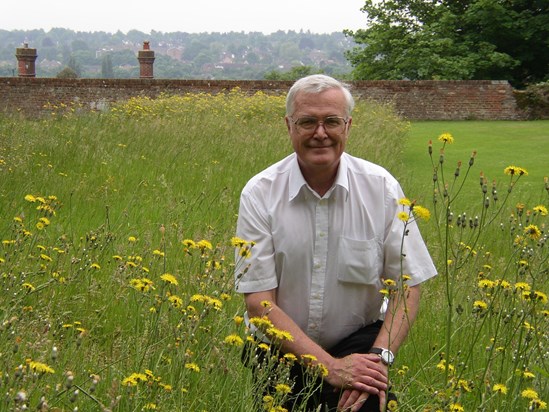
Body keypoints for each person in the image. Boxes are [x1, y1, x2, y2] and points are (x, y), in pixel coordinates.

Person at [235, 74, 437, 411]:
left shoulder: (382, 188)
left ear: (348, 126)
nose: (320, 133)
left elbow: (408, 285)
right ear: (288, 126)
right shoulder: (260, 193)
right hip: (280, 347)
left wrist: (378, 357)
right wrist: (330, 368)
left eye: (332, 121)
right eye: (307, 122)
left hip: (359, 345)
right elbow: (259, 303)